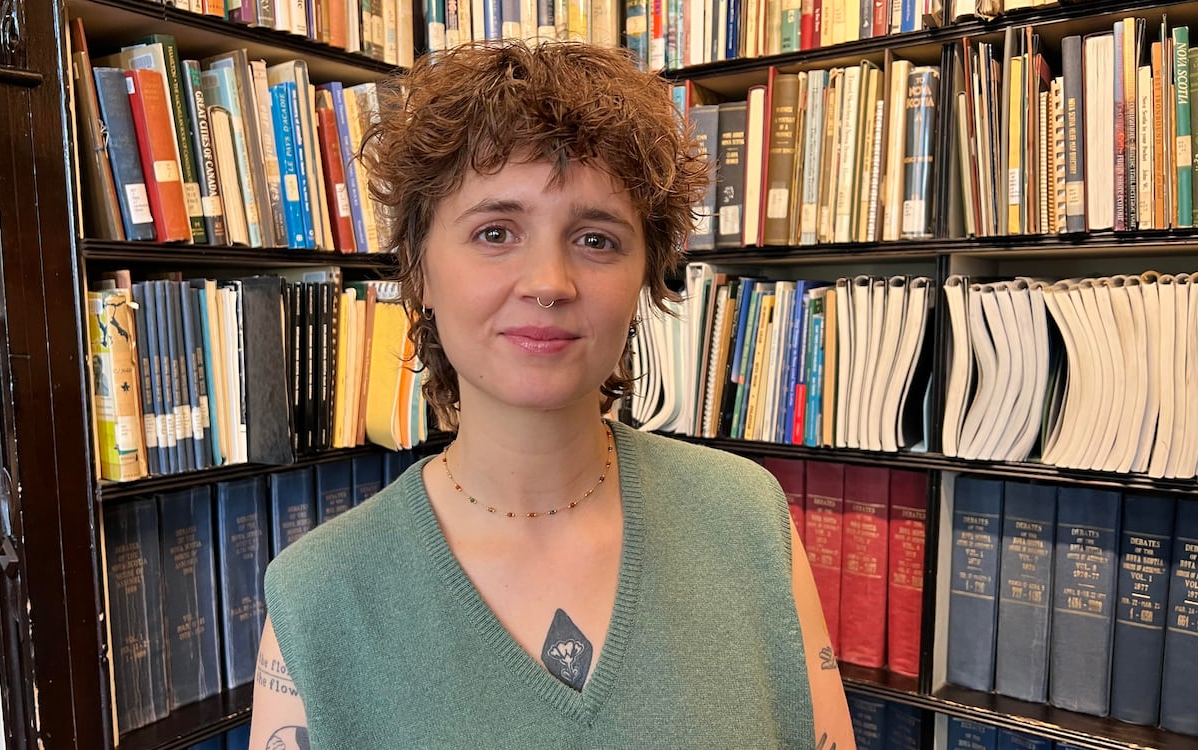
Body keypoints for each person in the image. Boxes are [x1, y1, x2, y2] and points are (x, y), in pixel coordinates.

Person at [252, 40, 856, 750]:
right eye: (495, 232)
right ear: (418, 269)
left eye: (596, 240)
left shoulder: (746, 519)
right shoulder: (319, 596)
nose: (549, 282)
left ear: (645, 276)